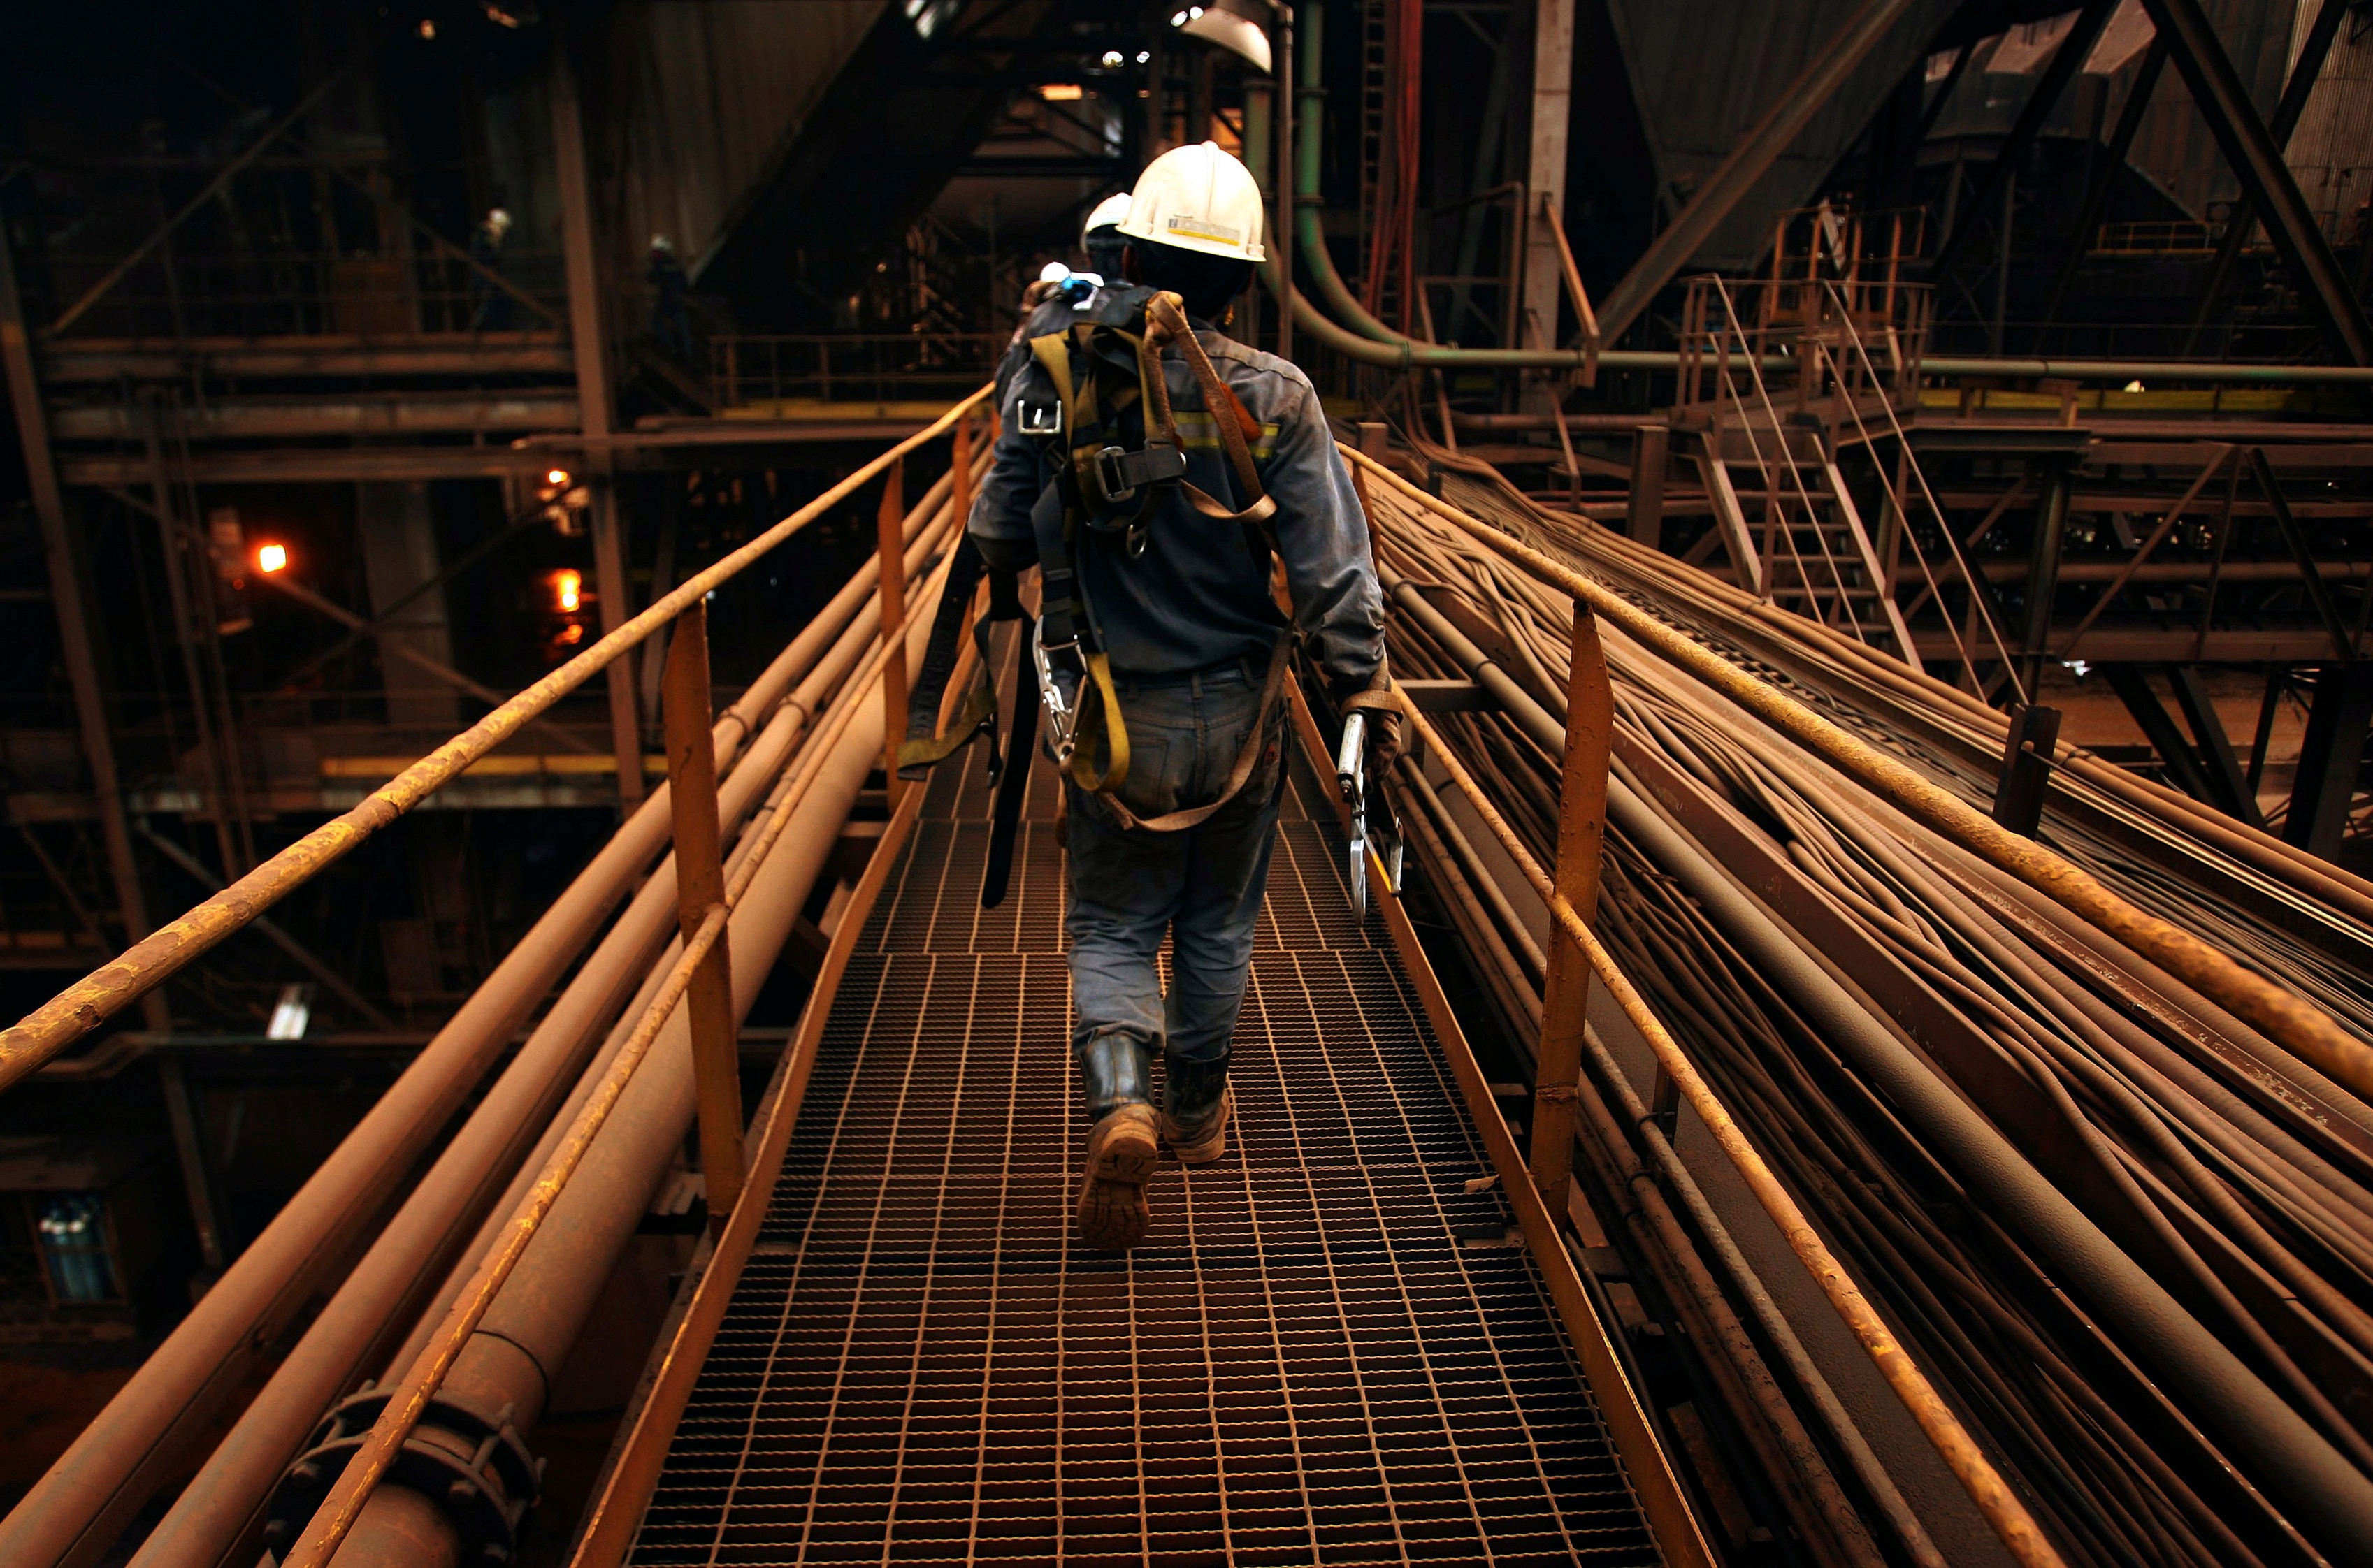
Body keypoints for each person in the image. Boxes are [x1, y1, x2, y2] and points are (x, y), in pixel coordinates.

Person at [969, 143, 1396, 1251]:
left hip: (1109, 711)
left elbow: (993, 531)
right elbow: (1332, 568)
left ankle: (1121, 1100)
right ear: (1240, 279)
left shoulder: (1053, 369)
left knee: (1112, 920)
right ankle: (1196, 1113)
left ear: (1127, 254)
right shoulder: (1276, 394)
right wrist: (1360, 685)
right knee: (1216, 917)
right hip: (1242, 718)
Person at [992, 191, 1134, 407]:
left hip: (1062, 439)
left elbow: (1005, 393)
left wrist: (1028, 318)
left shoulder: (1047, 315)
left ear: (1089, 258)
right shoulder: (1169, 315)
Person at [468, 205, 513, 331]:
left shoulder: (486, 235)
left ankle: (494, 325)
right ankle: (482, 326)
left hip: (489, 275)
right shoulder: (484, 236)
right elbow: (483, 255)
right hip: (485, 276)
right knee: (488, 302)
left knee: (494, 301)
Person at [648, 233, 692, 359]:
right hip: (678, 300)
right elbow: (685, 282)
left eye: (655, 252)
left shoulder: (660, 265)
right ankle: (688, 354)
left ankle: (670, 345)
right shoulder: (676, 264)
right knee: (683, 328)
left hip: (667, 300)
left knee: (656, 321)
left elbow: (652, 278)